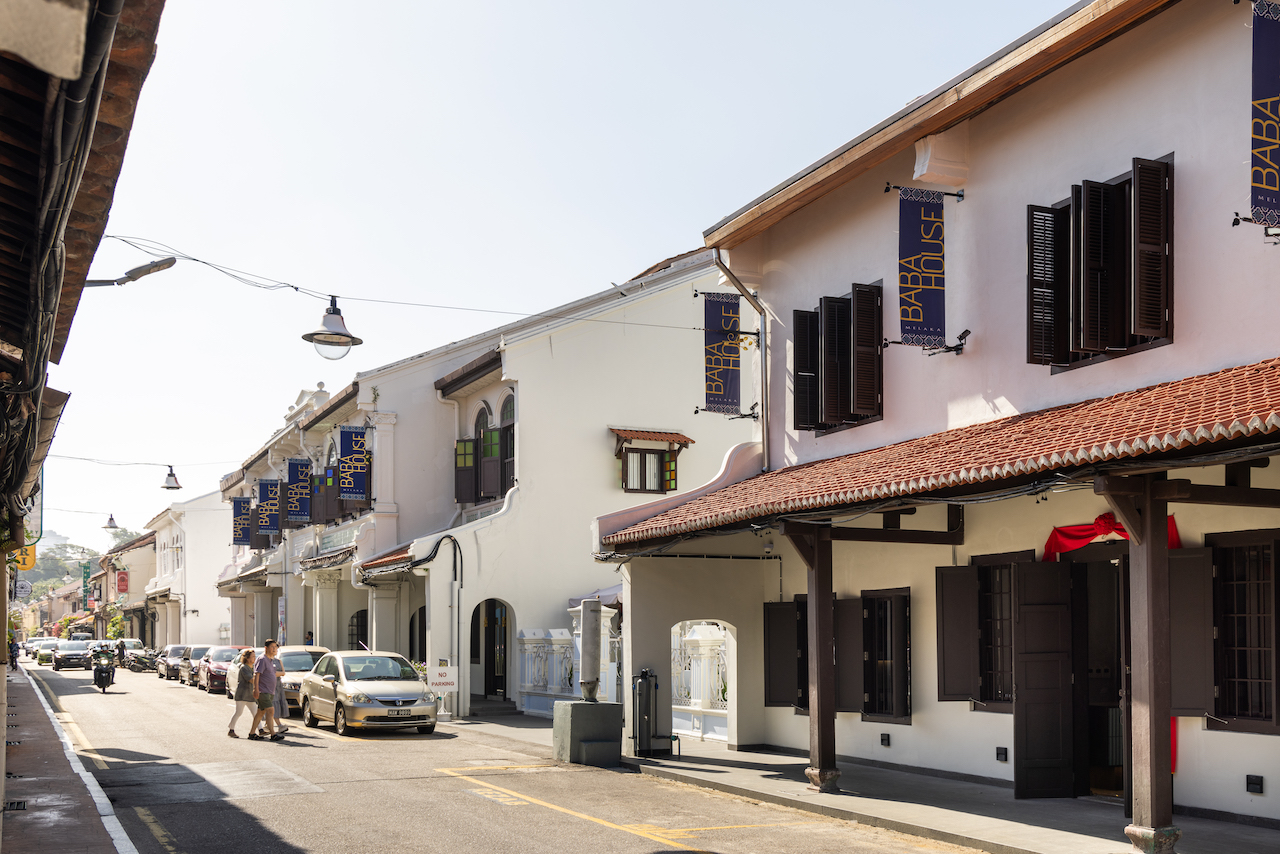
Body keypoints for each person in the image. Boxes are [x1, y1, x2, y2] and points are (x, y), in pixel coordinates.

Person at [248, 640, 283, 741]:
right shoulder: (262, 659)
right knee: (270, 710)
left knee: (261, 712)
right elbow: (256, 674)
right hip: (263, 691)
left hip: (270, 691)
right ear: (266, 648)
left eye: (275, 647)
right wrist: (256, 689)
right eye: (272, 647)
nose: (274, 649)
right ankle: (273, 734)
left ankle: (251, 733)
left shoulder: (271, 660)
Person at [227, 649, 257, 738]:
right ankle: (231, 730)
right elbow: (251, 680)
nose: (254, 658)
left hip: (250, 695)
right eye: (253, 657)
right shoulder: (244, 668)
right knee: (238, 712)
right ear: (247, 658)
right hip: (242, 694)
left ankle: (261, 730)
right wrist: (260, 677)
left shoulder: (253, 667)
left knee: (255, 713)